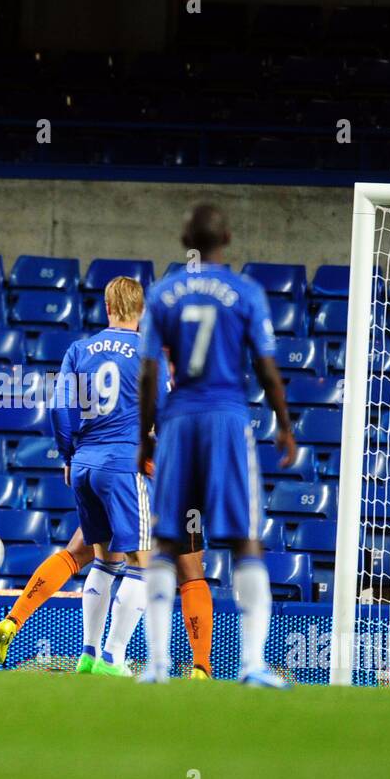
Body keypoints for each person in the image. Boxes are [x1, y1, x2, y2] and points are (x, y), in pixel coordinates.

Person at [0, 276, 215, 677]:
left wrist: (69, 454)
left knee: (91, 555)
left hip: (88, 464)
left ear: (107, 307)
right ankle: (146, 661)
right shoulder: (156, 356)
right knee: (165, 566)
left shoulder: (80, 349)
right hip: (147, 471)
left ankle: (65, 643)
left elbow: (60, 408)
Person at [138, 203, 297, 686]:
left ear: (184, 237)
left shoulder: (163, 294)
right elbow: (267, 368)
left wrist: (143, 436)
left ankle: (158, 665)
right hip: (227, 419)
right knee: (245, 538)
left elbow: (149, 375)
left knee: (166, 539)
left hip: (180, 420)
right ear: (226, 236)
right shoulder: (244, 291)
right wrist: (285, 424)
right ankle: (251, 665)